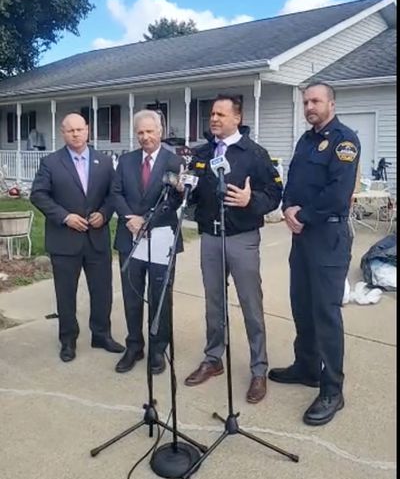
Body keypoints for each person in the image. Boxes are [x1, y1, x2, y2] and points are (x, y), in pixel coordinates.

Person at [268, 82, 360, 426]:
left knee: (326, 313)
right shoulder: (306, 140)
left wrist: (301, 216)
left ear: (331, 104)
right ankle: (306, 367)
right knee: (302, 305)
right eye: (306, 101)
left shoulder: (344, 141)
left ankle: (332, 389)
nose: (309, 106)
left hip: (328, 237)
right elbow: (293, 181)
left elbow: (338, 193)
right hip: (302, 237)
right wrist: (288, 207)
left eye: (315, 100)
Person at [184, 94, 282, 404]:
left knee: (250, 305)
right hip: (210, 239)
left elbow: (275, 192)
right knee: (214, 304)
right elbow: (194, 193)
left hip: (241, 237)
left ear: (237, 118)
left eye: (220, 114)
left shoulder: (254, 153)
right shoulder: (202, 154)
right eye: (212, 114)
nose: (213, 119)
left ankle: (258, 369)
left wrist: (250, 202)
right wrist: (184, 188)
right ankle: (214, 358)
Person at [30, 113, 123, 362]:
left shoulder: (104, 162)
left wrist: (104, 214)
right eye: (70, 130)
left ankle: (101, 335)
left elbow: (113, 195)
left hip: (96, 238)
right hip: (64, 239)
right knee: (66, 293)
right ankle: (68, 340)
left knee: (102, 290)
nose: (76, 134)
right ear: (63, 133)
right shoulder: (51, 162)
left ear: (88, 130)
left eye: (80, 129)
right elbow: (38, 195)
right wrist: (65, 217)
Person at [112, 109, 184, 374]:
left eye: (149, 131)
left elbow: (175, 199)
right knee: (132, 295)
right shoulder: (127, 160)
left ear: (160, 131)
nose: (145, 137)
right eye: (140, 132)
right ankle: (134, 346)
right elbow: (116, 192)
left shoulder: (173, 162)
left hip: (161, 237)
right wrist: (129, 217)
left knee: (159, 297)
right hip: (129, 236)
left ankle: (157, 348)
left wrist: (148, 221)